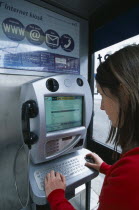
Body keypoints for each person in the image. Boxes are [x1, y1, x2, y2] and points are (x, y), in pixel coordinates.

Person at [44, 44, 139, 210]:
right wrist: (109, 170)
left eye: (102, 95)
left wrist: (56, 196)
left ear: (123, 93)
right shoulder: (130, 171)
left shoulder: (131, 173)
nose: (101, 107)